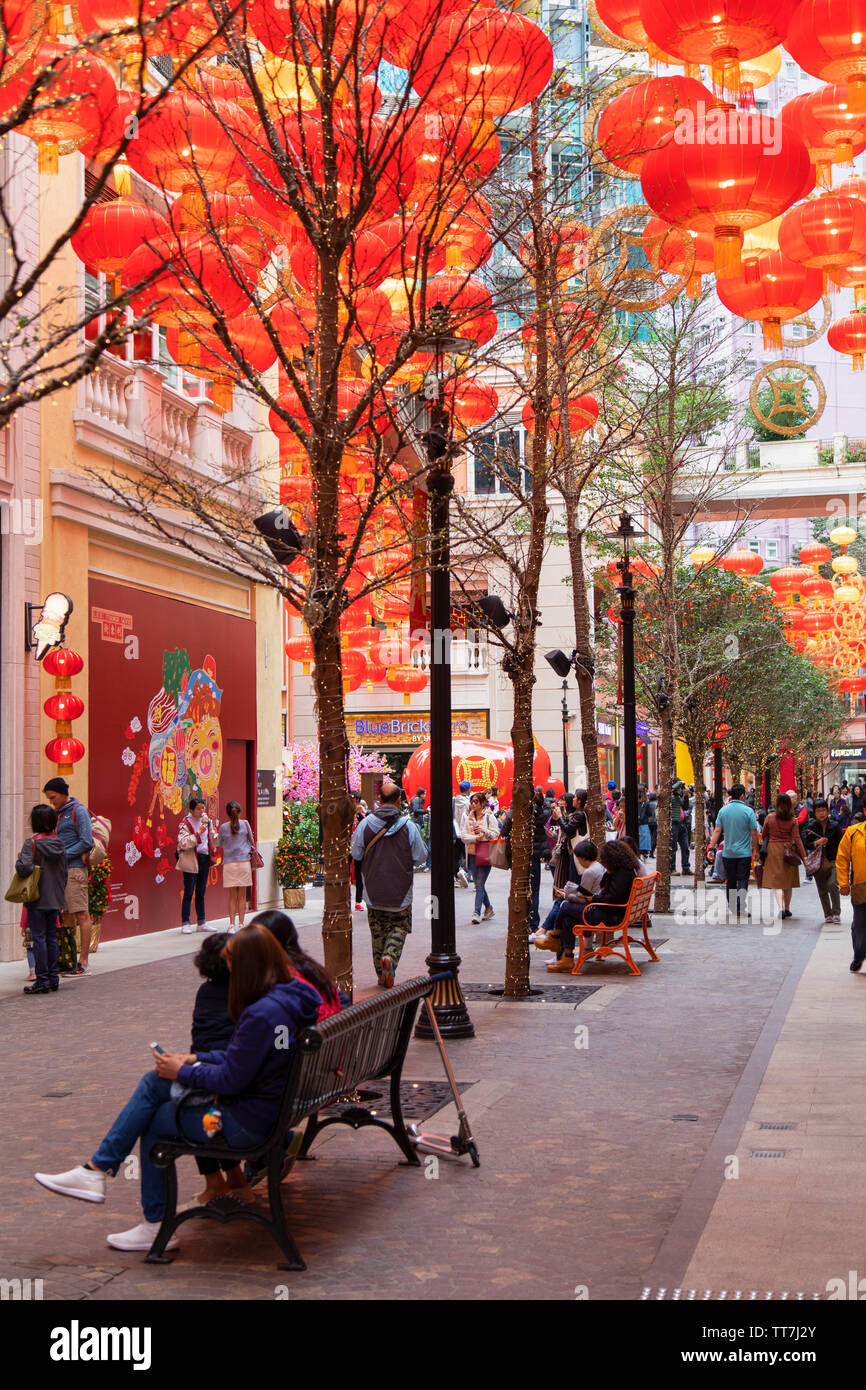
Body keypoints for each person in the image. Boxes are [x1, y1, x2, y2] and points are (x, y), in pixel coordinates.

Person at [33, 925, 326, 1252]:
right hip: (266, 1112)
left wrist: (184, 1071)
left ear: (247, 966)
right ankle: (99, 1174)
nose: (229, 970)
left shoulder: (263, 1012)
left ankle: (142, 1211)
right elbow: (247, 1057)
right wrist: (195, 1058)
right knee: (155, 1089)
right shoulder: (287, 1002)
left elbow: (232, 1079)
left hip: (241, 1124)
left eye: (232, 964)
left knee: (155, 1117)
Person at [186, 932, 254, 1206]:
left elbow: (200, 1043)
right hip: (245, 1080)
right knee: (204, 1103)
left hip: (227, 1084)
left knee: (191, 1105)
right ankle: (235, 1178)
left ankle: (215, 1182)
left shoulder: (207, 993)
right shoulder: (251, 993)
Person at [351, 780, 426, 988]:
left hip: (373, 891)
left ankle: (380, 975)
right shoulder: (409, 826)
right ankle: (390, 957)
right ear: (399, 800)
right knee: (399, 927)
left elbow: (356, 853)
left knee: (377, 932)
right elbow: (420, 857)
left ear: (379, 800)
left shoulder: (365, 824)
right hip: (401, 892)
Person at [545, 839, 641, 972]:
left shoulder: (622, 874)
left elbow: (612, 897)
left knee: (566, 907)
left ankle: (555, 937)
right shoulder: (622, 871)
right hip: (613, 911)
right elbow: (608, 891)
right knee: (568, 918)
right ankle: (566, 957)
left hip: (611, 915)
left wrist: (594, 898)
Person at [42, 776, 93, 977]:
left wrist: (62, 855)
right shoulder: (58, 813)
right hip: (61, 871)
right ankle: (69, 958)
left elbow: (86, 841)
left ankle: (84, 960)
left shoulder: (78, 811)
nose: (51, 801)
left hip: (75, 870)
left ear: (63, 793)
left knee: (81, 913)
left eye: (53, 797)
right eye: (49, 798)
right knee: (65, 914)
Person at [15, 804, 68, 996]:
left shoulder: (32, 843)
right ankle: (54, 978)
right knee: (52, 937)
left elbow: (25, 869)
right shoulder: (60, 844)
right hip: (55, 898)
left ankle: (42, 979)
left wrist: (19, 860)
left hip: (37, 898)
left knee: (38, 938)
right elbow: (64, 873)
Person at [532, 839, 605, 956]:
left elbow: (582, 897)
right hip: (596, 906)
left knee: (563, 905)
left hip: (592, 909)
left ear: (582, 858)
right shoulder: (599, 866)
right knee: (565, 916)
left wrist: (566, 895)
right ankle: (565, 954)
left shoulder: (589, 872)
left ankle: (553, 937)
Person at [708, 783, 759, 921]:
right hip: (744, 853)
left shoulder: (724, 811)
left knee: (730, 879)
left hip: (728, 852)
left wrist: (711, 847)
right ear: (742, 795)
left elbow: (717, 830)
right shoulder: (748, 811)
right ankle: (740, 906)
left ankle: (732, 905)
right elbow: (754, 833)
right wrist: (757, 849)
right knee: (743, 879)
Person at [760, 793, 806, 919]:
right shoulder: (793, 820)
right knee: (788, 882)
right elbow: (797, 838)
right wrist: (804, 856)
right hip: (788, 850)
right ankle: (787, 908)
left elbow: (764, 833)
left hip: (773, 849)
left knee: (777, 883)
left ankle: (780, 908)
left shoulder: (770, 817)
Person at [177, 797, 217, 934]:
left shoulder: (207, 821)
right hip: (191, 858)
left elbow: (213, 839)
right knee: (189, 891)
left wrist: (213, 830)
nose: (202, 811)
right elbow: (182, 842)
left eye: (203, 808)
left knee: (201, 892)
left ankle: (201, 922)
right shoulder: (185, 823)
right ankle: (185, 922)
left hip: (204, 858)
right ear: (192, 809)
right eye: (199, 808)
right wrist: (198, 833)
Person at [802, 799, 844, 924]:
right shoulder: (811, 826)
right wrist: (817, 843)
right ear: (814, 812)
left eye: (823, 810)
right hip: (818, 863)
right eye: (818, 811)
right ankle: (828, 914)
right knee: (822, 889)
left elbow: (841, 843)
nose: (821, 813)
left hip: (833, 860)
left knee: (832, 884)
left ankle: (836, 912)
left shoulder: (835, 825)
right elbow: (807, 844)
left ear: (827, 811)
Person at [461, 792, 499, 923]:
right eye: (472, 801)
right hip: (472, 853)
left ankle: (476, 912)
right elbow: (463, 836)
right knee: (478, 884)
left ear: (483, 802)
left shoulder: (489, 817)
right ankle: (489, 907)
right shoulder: (468, 818)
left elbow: (495, 834)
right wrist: (476, 838)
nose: (473, 804)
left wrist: (483, 830)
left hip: (485, 852)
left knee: (479, 884)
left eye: (476, 801)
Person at [218, 801, 255, 933]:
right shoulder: (245, 824)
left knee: (232, 896)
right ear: (239, 811)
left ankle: (231, 925)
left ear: (227, 813)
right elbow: (251, 840)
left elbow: (221, 844)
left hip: (229, 863)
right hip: (243, 862)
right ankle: (241, 924)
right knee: (242, 896)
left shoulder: (223, 827)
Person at [836, 816, 866, 970]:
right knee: (860, 924)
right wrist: (843, 883)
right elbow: (842, 858)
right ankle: (859, 955)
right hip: (860, 887)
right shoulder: (853, 832)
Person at [452, 779, 472, 887]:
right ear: (468, 789)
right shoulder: (469, 802)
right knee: (468, 855)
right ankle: (466, 874)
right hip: (465, 832)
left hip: (455, 832)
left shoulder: (454, 800)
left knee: (456, 856)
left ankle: (456, 877)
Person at [669, 778, 691, 875]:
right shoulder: (669, 794)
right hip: (673, 823)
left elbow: (685, 807)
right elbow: (672, 788)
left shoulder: (678, 796)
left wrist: (686, 796)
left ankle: (685, 867)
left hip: (681, 824)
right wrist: (681, 783)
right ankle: (672, 868)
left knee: (685, 846)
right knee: (673, 847)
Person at [350, 793, 367, 910]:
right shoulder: (345, 815)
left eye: (357, 801)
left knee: (358, 874)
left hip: (358, 847)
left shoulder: (361, 816)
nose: (355, 804)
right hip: (346, 847)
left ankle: (358, 901)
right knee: (345, 874)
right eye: (353, 801)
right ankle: (345, 899)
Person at [409, 785, 431, 872]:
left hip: (417, 823)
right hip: (416, 823)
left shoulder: (416, 799)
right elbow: (415, 810)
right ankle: (416, 862)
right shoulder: (416, 799)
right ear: (421, 794)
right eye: (424, 793)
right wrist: (426, 811)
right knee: (417, 843)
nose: (425, 795)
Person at [637, 785, 653, 858]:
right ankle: (644, 852)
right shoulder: (646, 802)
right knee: (644, 839)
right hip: (644, 824)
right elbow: (650, 813)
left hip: (635, 824)